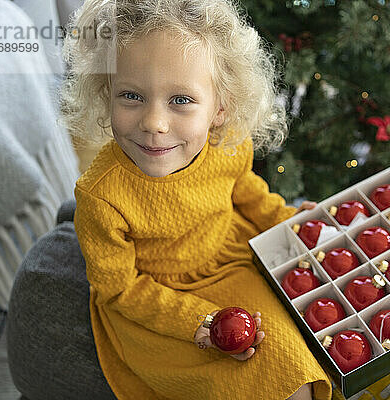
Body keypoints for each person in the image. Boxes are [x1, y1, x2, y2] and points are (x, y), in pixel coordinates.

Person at [62, 0, 328, 399]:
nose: (154, 123)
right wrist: (197, 321)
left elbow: (249, 194)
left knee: (292, 370)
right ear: (106, 93)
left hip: (232, 264)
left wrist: (288, 222)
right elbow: (119, 290)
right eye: (131, 96)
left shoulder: (227, 147)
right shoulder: (100, 196)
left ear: (220, 108)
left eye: (181, 100)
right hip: (156, 304)